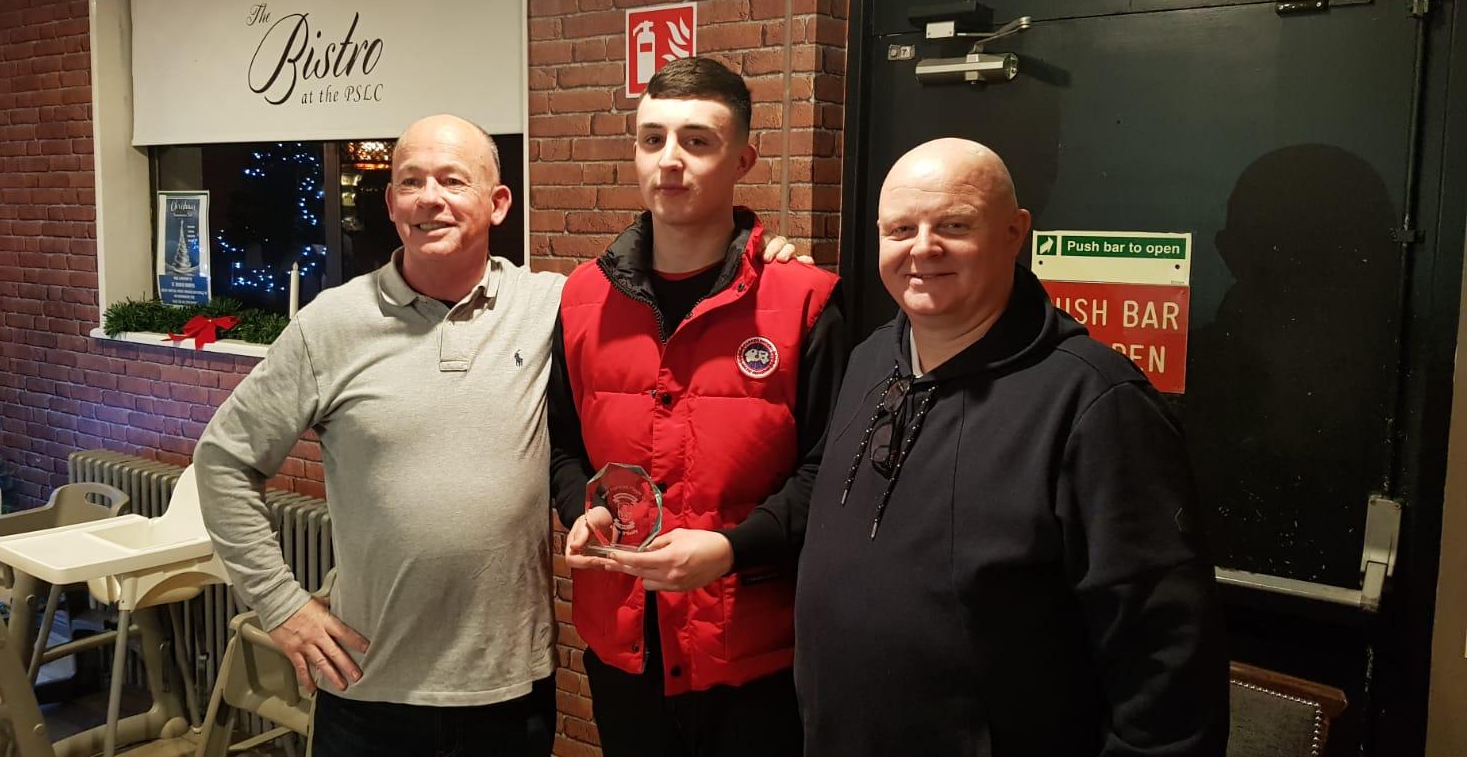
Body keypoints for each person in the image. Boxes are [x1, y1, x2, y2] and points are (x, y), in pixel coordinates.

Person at [195, 113, 807, 756]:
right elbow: (223, 462)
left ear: (498, 203)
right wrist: (281, 605)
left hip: (511, 694)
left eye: (453, 180)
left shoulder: (554, 306)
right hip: (367, 686)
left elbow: (676, 287)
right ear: (391, 203)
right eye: (411, 182)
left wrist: (764, 261)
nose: (429, 198)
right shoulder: (331, 325)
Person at [793, 138, 1228, 757]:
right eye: (900, 229)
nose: (922, 248)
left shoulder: (1096, 403)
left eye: (954, 225)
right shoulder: (868, 361)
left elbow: (1167, 669)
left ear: (1014, 233)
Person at [551, 57, 849, 757]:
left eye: (697, 141)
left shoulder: (805, 301)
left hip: (755, 652)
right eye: (652, 139)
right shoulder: (582, 298)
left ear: (743, 159)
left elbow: (832, 472)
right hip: (626, 646)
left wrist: (731, 549)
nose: (670, 160)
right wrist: (581, 507)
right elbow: (560, 444)